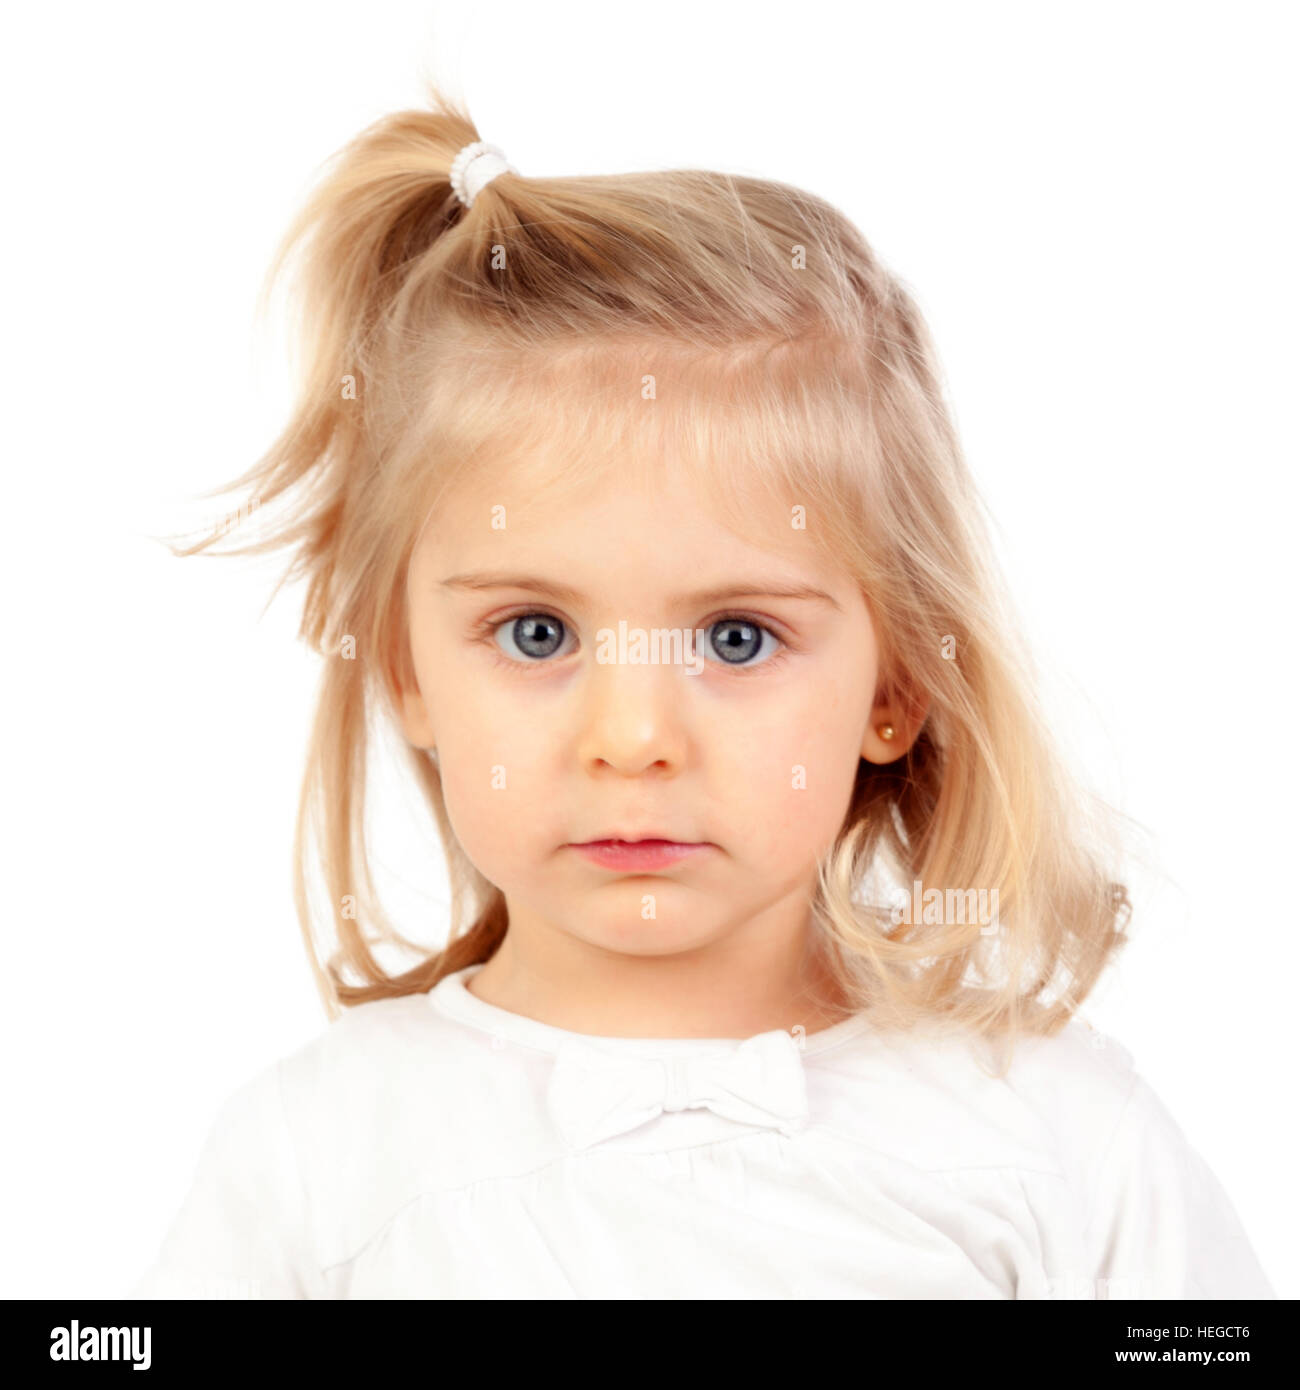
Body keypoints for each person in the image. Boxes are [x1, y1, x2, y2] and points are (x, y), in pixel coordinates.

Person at [131, 85, 1274, 1299]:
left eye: (735, 638)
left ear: (896, 681)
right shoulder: (315, 1163)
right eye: (534, 632)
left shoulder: (1062, 1149)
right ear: (408, 671)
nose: (632, 738)